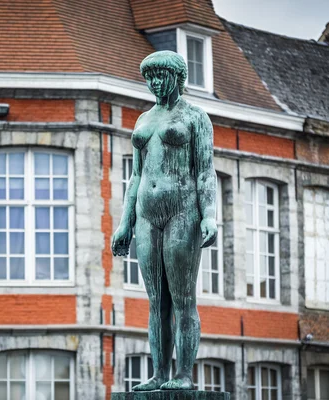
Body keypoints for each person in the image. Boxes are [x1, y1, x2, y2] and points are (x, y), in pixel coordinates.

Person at [111, 50, 218, 391]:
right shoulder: (143, 120)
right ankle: (159, 374)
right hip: (146, 215)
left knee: (182, 298)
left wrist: (210, 215)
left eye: (161, 77)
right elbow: (135, 177)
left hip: (182, 212)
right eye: (150, 78)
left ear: (177, 77)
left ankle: (184, 375)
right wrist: (124, 223)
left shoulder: (196, 117)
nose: (155, 83)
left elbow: (205, 171)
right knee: (156, 301)